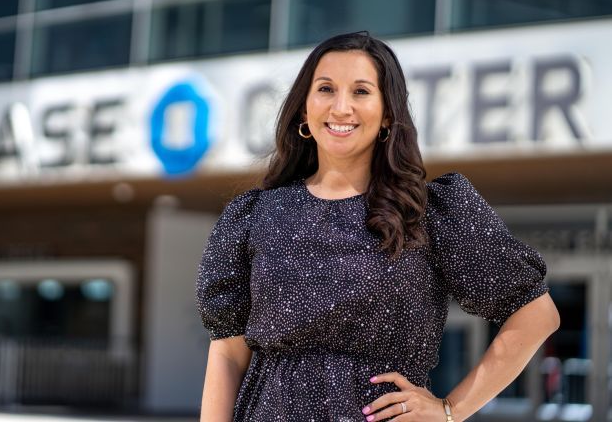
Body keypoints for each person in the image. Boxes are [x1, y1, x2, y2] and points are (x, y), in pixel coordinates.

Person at [195, 31, 560, 422]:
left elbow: (537, 315)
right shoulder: (254, 216)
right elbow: (228, 354)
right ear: (304, 108)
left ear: (388, 113)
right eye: (326, 89)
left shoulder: (429, 210)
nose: (341, 107)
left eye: (361, 92)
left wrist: (450, 410)